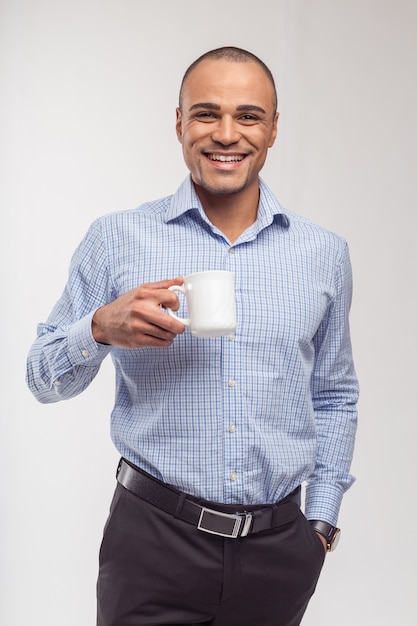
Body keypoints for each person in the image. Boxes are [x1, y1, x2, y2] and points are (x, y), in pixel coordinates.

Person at [26, 46, 359, 626]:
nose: (226, 134)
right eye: (206, 113)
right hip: (152, 541)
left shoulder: (323, 254)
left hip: (280, 550)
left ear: (274, 129)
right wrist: (100, 327)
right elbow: (42, 377)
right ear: (178, 123)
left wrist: (321, 524)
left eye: (249, 116)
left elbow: (335, 394)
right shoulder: (118, 239)